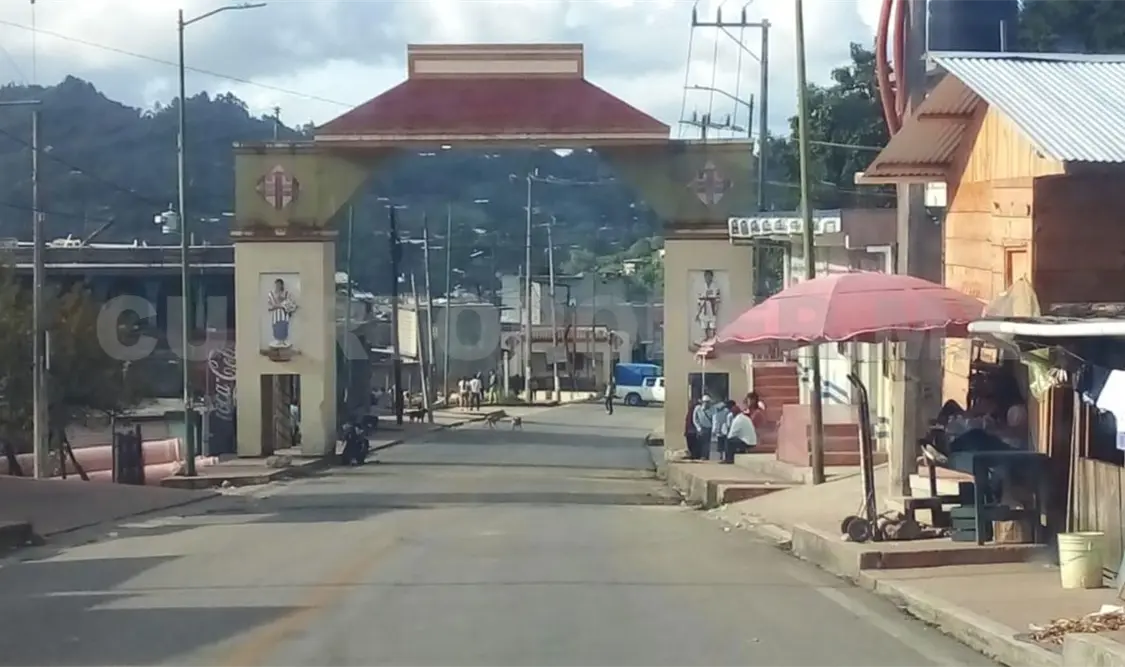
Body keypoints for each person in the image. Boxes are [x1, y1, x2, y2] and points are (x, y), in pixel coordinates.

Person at [692, 395, 715, 461]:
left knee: (707, 443)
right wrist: (698, 427)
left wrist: (714, 429)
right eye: (705, 402)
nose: (706, 403)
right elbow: (695, 419)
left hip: (709, 428)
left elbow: (715, 419)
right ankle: (700, 456)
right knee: (700, 442)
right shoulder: (698, 408)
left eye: (708, 402)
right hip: (701, 428)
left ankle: (705, 456)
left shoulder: (713, 409)